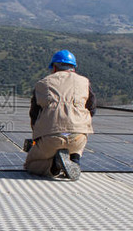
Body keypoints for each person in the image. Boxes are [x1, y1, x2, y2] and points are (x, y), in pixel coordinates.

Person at [24, 50, 96, 180]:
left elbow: (34, 115)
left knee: (31, 165)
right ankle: (75, 160)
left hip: (50, 138)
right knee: (80, 131)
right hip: (78, 138)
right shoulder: (85, 82)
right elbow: (92, 109)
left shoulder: (42, 83)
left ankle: (54, 165)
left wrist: (37, 137)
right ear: (73, 68)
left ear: (54, 67)